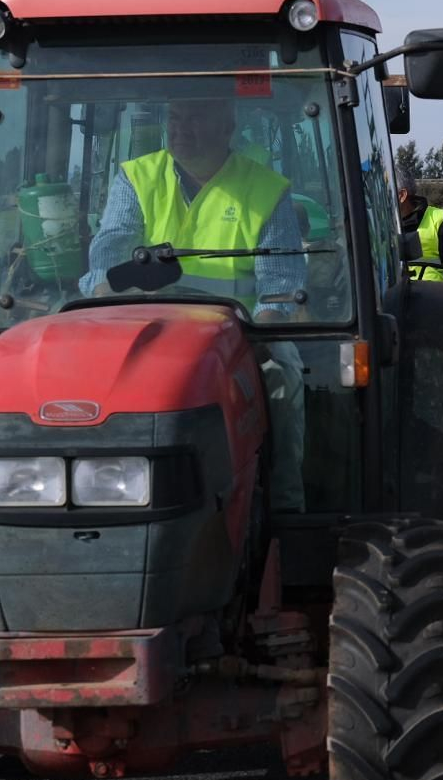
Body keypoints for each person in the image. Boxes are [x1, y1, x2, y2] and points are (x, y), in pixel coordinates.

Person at [81, 95, 307, 511]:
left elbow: (279, 289)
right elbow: (109, 255)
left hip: (236, 334)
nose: (182, 129)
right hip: (140, 327)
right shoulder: (136, 178)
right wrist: (109, 285)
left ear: (228, 127)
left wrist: (259, 331)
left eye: (197, 118)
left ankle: (285, 503)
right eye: (176, 117)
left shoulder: (265, 192)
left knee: (283, 372)